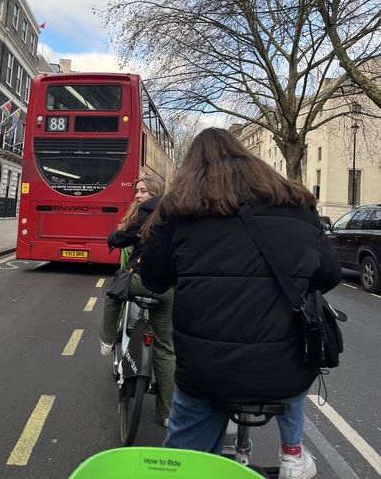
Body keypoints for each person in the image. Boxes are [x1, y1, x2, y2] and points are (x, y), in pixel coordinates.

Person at [139, 128, 340, 479]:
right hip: (284, 374)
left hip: (205, 372)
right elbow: (328, 276)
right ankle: (292, 453)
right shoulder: (295, 204)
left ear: (191, 166)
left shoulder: (179, 209)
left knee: (182, 466)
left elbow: (154, 279)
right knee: (293, 364)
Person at [99, 177, 175, 426]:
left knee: (113, 293)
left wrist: (112, 238)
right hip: (168, 290)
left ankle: (107, 339)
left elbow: (127, 236)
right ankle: (166, 414)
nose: (138, 195)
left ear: (154, 193)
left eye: (143, 191)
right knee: (165, 349)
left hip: (143, 280)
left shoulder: (147, 210)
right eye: (137, 191)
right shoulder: (177, 211)